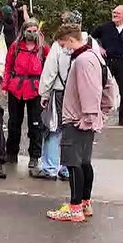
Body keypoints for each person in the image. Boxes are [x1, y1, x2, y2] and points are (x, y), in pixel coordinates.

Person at [47, 24, 117, 222]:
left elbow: (89, 90)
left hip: (78, 120)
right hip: (87, 119)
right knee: (84, 162)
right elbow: (108, 85)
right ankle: (85, 202)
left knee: (73, 163)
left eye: (63, 45)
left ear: (70, 40)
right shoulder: (95, 56)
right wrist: (102, 111)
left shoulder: (82, 61)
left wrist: (88, 116)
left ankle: (75, 207)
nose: (64, 49)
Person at [36, 10, 90, 181]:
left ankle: (50, 167)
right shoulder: (91, 43)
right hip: (82, 93)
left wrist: (44, 93)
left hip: (60, 91)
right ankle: (68, 167)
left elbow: (50, 71)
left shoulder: (58, 46)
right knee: (74, 130)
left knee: (53, 129)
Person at [2, 19, 48, 175]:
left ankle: (34, 155)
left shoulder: (43, 49)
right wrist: (5, 84)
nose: (32, 33)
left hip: (35, 88)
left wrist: (47, 89)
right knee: (14, 122)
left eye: (35, 30)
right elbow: (8, 66)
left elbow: (49, 69)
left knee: (36, 123)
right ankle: (11, 153)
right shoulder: (15, 47)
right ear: (23, 31)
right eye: (29, 30)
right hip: (16, 87)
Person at [93, 5, 123, 126]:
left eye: (117, 13)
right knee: (100, 88)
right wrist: (99, 48)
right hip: (107, 61)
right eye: (113, 13)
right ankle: (97, 115)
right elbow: (91, 36)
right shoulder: (105, 27)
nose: (114, 15)